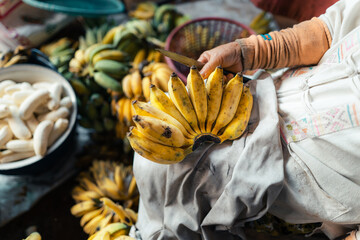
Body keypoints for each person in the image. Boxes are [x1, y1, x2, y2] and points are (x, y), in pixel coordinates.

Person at [133, 0, 360, 239]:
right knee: (151, 164)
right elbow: (328, 31)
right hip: (262, 100)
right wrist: (249, 52)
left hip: (292, 196)